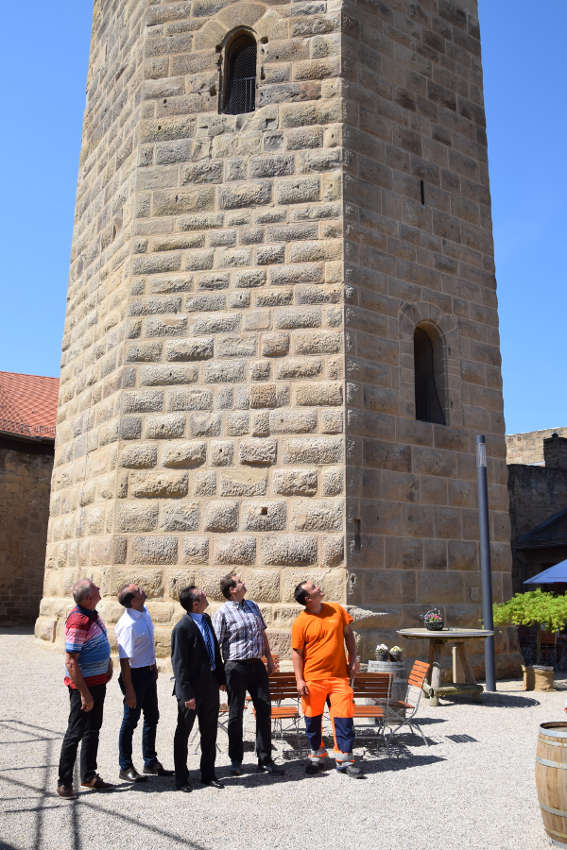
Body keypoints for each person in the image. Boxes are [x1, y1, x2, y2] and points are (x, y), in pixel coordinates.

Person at [212, 572, 284, 776]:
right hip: (235, 667)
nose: (244, 583)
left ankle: (265, 758)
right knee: (235, 713)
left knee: (264, 709)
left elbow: (262, 633)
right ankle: (236, 760)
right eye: (240, 581)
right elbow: (216, 645)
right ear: (232, 589)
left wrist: (268, 658)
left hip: (256, 665)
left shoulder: (253, 606)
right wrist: (219, 675)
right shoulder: (222, 613)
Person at [291, 580, 363, 778]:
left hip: (339, 677)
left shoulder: (337, 610)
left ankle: (345, 760)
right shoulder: (301, 622)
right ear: (308, 599)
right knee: (312, 721)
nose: (318, 587)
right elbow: (297, 653)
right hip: (313, 679)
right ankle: (317, 757)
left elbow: (349, 635)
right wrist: (299, 680)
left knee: (344, 719)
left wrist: (353, 659)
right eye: (313, 587)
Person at [57, 579, 114, 798]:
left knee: (93, 730)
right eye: (96, 588)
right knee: (75, 732)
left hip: (97, 683)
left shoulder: (92, 613)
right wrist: (84, 693)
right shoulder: (78, 621)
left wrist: (107, 662)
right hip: (85, 687)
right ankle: (64, 782)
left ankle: (89, 775)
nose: (100, 589)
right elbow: (71, 661)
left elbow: (98, 643)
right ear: (89, 598)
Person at [114, 583, 173, 783]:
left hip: (147, 672)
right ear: (133, 600)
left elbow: (148, 643)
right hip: (134, 676)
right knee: (130, 721)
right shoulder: (127, 624)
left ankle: (150, 761)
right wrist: (129, 690)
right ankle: (125, 766)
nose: (142, 590)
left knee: (152, 716)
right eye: (138, 590)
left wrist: (153, 664)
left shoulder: (144, 612)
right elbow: (124, 660)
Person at [171, 586, 225, 791]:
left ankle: (208, 774)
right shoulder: (182, 628)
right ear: (195, 603)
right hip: (191, 692)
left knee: (209, 732)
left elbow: (214, 652)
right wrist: (186, 694)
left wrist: (220, 678)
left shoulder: (207, 619)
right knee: (183, 733)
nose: (206, 594)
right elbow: (179, 664)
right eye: (202, 594)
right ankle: (182, 778)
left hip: (210, 686)